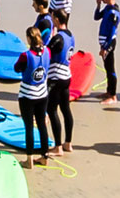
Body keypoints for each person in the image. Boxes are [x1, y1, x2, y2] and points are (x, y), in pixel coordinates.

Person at [15, 26, 51, 169]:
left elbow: (17, 68)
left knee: (29, 127)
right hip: (42, 94)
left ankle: (29, 160)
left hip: (27, 95)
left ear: (29, 39)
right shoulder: (47, 51)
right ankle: (44, 156)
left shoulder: (26, 55)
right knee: (42, 125)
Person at [47, 9, 74, 156]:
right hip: (67, 77)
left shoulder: (58, 38)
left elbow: (46, 53)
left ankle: (58, 147)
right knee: (66, 109)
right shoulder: (70, 35)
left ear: (57, 19)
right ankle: (68, 143)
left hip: (56, 78)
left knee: (51, 110)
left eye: (53, 18)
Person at [95, 0, 120, 105]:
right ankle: (108, 92)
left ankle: (113, 96)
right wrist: (98, 5)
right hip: (104, 43)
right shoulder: (107, 8)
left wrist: (105, 48)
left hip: (109, 43)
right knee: (107, 68)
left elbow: (111, 33)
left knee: (111, 69)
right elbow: (96, 17)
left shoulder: (113, 12)